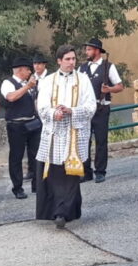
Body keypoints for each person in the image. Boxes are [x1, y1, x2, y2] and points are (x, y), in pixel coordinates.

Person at [36, 45, 96, 229]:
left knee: (71, 172)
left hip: (74, 131)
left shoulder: (83, 79)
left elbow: (91, 105)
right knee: (55, 172)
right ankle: (61, 209)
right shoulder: (48, 81)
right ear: (59, 61)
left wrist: (72, 111)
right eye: (68, 59)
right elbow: (41, 105)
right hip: (54, 131)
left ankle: (63, 212)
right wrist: (55, 113)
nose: (72, 62)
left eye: (73, 59)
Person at [78, 38, 124, 183]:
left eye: (89, 49)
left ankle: (100, 171)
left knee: (101, 141)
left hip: (101, 107)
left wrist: (109, 89)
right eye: (87, 49)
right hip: (86, 109)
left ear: (97, 51)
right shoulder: (81, 68)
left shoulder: (108, 67)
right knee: (84, 140)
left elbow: (120, 86)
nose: (87, 52)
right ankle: (86, 171)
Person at [1, 57, 41, 199]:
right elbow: (11, 97)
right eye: (27, 69)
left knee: (36, 153)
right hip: (16, 124)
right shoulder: (8, 83)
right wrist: (27, 87)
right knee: (16, 156)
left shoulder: (29, 84)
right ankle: (17, 187)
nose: (30, 72)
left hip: (32, 122)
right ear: (20, 70)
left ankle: (38, 184)